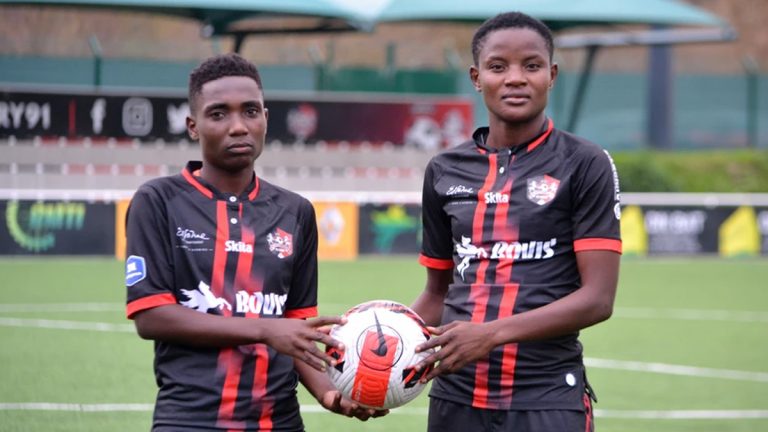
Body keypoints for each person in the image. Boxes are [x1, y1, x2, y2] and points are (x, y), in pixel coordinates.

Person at [124, 53, 385, 431]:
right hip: (190, 420)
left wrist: (331, 394)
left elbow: (296, 329)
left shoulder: (295, 211)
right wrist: (264, 328)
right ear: (193, 127)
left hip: (279, 421)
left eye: (250, 112)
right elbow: (151, 316)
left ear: (265, 118)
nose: (238, 127)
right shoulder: (159, 201)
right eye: (218, 114)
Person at [411, 12, 622, 432]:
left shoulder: (585, 164)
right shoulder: (443, 170)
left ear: (552, 75)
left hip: (546, 397)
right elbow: (437, 293)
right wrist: (383, 347)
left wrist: (489, 334)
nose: (515, 78)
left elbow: (598, 299)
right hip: (455, 396)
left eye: (531, 65)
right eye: (497, 66)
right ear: (476, 77)